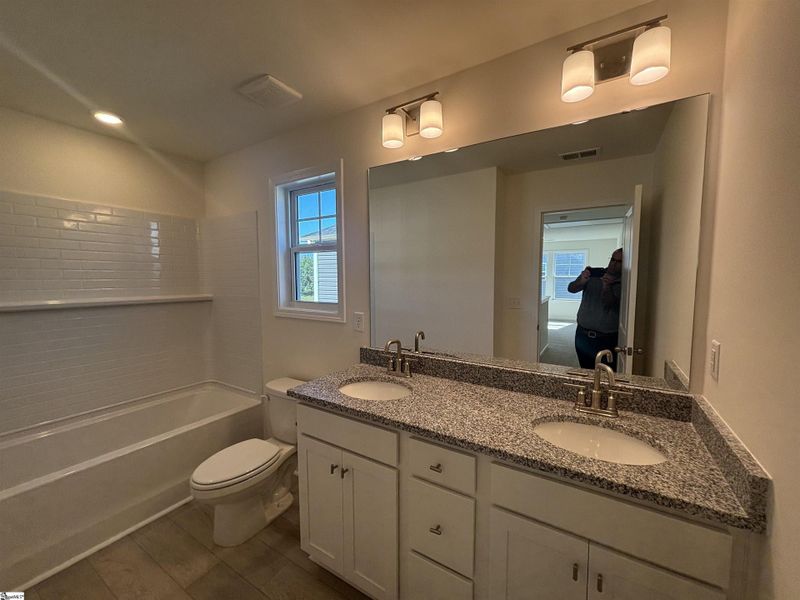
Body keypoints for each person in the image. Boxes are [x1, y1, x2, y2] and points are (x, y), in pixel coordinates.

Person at [567, 248, 623, 370]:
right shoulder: (593, 274)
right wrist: (582, 280)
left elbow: (609, 303)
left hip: (607, 339)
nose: (614, 264)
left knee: (606, 373)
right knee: (585, 370)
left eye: (619, 261)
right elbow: (571, 288)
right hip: (582, 334)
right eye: (613, 259)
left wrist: (607, 286)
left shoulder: (625, 282)